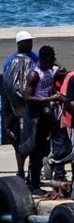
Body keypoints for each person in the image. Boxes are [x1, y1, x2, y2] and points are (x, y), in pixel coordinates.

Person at [21, 46, 61, 192]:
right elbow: (27, 97)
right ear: (43, 59)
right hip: (34, 116)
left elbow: (51, 88)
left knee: (44, 149)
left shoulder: (49, 71)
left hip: (46, 113)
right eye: (51, 59)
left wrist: (57, 96)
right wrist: (49, 99)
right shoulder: (34, 74)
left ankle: (35, 180)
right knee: (35, 150)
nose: (54, 62)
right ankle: (34, 184)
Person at [2, 32, 38, 179]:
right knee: (18, 140)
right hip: (16, 108)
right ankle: (21, 171)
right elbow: (9, 87)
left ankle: (31, 172)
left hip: (30, 107)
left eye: (31, 41)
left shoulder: (35, 57)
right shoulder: (10, 62)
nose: (30, 44)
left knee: (33, 141)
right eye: (27, 42)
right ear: (19, 44)